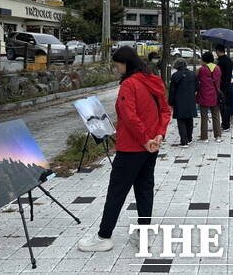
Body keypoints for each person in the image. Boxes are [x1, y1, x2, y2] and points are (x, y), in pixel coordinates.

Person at [78, 47, 171, 252]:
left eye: (117, 65)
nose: (116, 69)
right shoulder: (154, 80)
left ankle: (104, 236)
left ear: (125, 64)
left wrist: (145, 139)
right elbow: (165, 110)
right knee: (145, 189)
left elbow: (129, 116)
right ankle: (143, 233)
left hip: (131, 148)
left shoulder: (129, 84)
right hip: (151, 147)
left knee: (116, 192)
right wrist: (159, 135)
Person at [168, 58, 199, 147]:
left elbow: (172, 91)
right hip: (190, 100)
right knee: (190, 119)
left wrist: (171, 102)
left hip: (179, 101)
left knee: (181, 120)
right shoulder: (193, 74)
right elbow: (197, 87)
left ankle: (184, 141)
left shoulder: (175, 75)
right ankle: (189, 138)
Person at [197, 51, 223, 142]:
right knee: (216, 115)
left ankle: (204, 137)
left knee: (204, 117)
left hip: (204, 95)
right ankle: (218, 136)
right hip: (215, 95)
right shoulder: (218, 68)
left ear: (204, 60)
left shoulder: (202, 69)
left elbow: (198, 79)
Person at [215, 43, 233, 130]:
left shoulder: (220, 62)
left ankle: (225, 124)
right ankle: (227, 123)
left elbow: (218, 75)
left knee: (223, 106)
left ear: (218, 51)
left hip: (222, 86)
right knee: (226, 105)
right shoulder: (229, 60)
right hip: (228, 84)